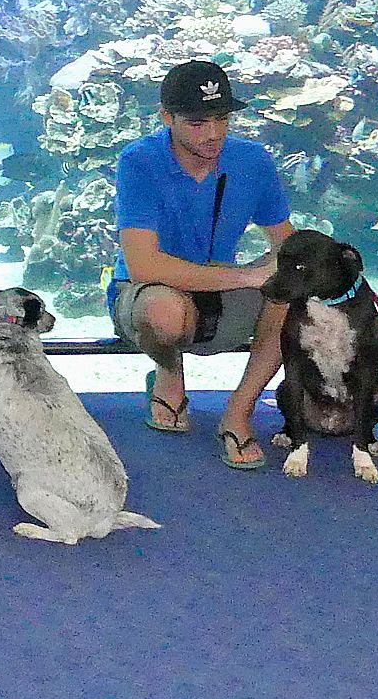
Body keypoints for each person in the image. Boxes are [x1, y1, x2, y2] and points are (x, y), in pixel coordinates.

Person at [110, 58, 294, 470]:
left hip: (222, 296)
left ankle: (239, 413)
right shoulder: (138, 161)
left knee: (289, 297)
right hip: (147, 294)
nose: (213, 134)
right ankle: (168, 371)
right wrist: (247, 274)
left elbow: (286, 242)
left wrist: (292, 267)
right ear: (166, 118)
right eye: (196, 123)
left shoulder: (253, 160)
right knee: (164, 310)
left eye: (221, 119)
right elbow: (142, 266)